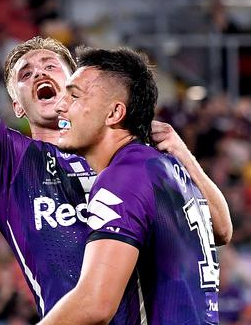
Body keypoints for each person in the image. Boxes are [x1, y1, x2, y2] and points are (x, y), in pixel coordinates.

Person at [0, 0, 231, 319]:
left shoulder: (131, 153)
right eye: (25, 74)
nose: (39, 72)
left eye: (50, 65)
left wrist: (180, 151)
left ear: (80, 85)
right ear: (17, 105)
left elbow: (218, 228)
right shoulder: (10, 161)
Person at [41, 47, 219, 324]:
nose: (60, 105)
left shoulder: (123, 177)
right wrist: (184, 155)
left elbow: (96, 303)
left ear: (114, 113)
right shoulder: (169, 168)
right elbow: (222, 229)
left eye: (74, 95)